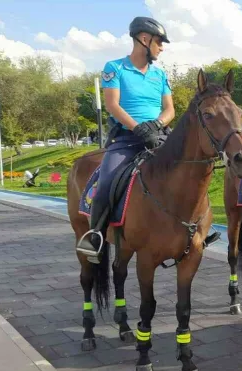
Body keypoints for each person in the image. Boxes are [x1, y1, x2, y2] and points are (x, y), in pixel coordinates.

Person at [76, 16, 175, 261]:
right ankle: (96, 236)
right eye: (159, 42)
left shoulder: (160, 75)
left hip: (159, 136)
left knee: (188, 173)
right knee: (107, 182)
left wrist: (157, 124)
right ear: (144, 39)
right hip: (126, 140)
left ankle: (198, 229)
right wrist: (138, 127)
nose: (161, 47)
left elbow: (170, 109)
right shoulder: (115, 68)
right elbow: (112, 105)